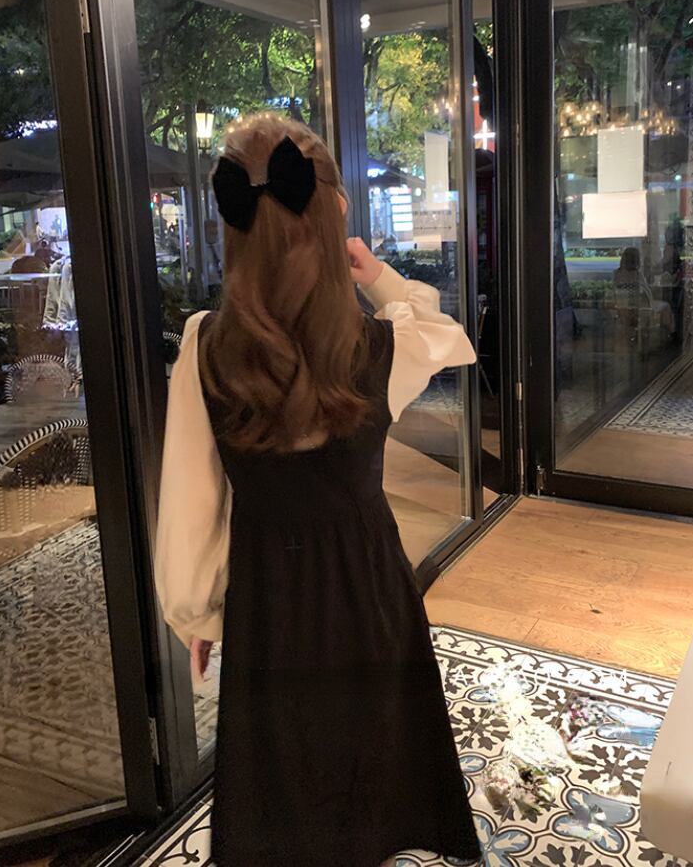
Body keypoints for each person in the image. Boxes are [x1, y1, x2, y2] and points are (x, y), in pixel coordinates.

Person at [154, 113, 482, 867]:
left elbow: (193, 504)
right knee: (375, 752)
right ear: (334, 212)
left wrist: (198, 611)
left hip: (269, 595)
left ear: (233, 227)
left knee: (287, 769)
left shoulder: (205, 347)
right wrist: (376, 274)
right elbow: (448, 332)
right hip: (369, 585)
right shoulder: (384, 344)